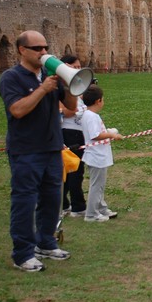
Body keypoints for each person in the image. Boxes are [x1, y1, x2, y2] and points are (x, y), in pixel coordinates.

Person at [0, 30, 76, 272]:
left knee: (52, 201)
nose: (44, 52)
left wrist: (69, 83)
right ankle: (22, 253)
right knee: (25, 201)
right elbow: (17, 110)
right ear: (22, 50)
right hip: (26, 151)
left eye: (45, 47)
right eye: (38, 48)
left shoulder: (50, 75)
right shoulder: (12, 77)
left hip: (52, 148)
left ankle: (46, 242)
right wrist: (43, 89)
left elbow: (71, 109)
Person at [81, 84, 123, 222]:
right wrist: (112, 135)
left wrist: (109, 132)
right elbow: (95, 135)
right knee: (96, 186)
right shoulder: (91, 116)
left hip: (98, 156)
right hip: (96, 157)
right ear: (98, 101)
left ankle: (101, 208)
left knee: (100, 185)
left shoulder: (90, 115)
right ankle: (91, 214)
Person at [60, 55, 88, 217]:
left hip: (78, 133)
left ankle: (66, 204)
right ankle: (77, 206)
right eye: (75, 67)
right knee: (73, 170)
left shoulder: (75, 89)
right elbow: (66, 112)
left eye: (79, 67)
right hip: (69, 134)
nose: (78, 70)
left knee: (75, 170)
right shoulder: (60, 88)